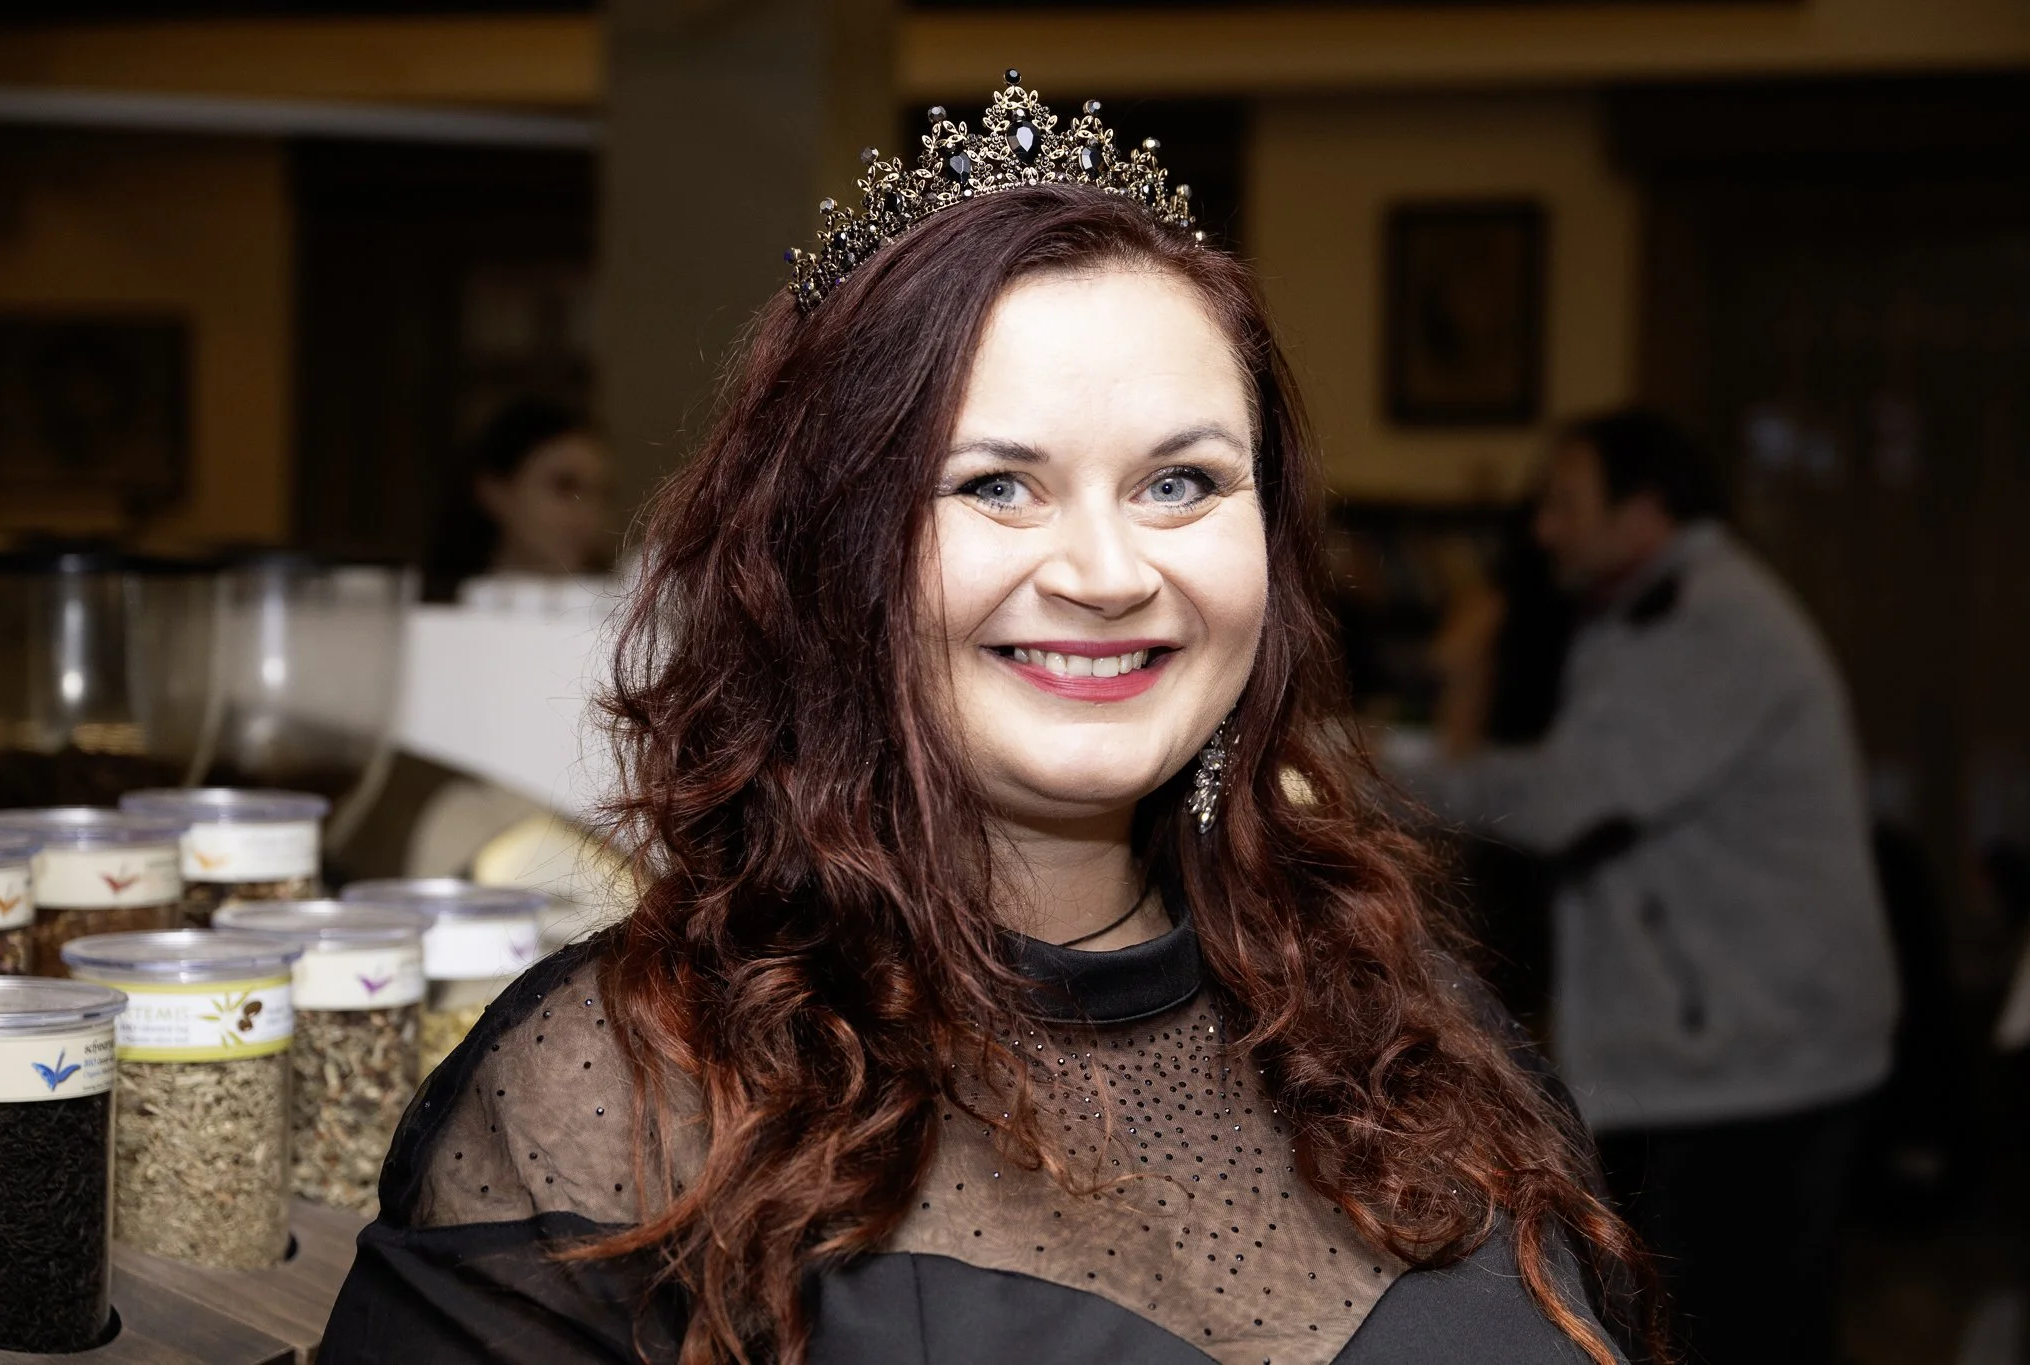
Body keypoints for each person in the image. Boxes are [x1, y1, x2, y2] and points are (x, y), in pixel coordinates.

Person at [321, 79, 1661, 1365]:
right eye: (996, 487)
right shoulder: (625, 1085)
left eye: (1179, 483)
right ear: (828, 553)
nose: (1108, 573)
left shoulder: (1411, 1022)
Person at [1388, 409, 1900, 1365]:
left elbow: (1557, 798)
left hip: (1753, 1062)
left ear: (1644, 512)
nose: (1545, 527)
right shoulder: (1633, 613)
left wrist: (1364, 766)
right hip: (1729, 1048)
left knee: (1732, 1330)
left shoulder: (1708, 621)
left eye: (1567, 502)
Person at [422, 397, 613, 602]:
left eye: (603, 495)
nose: (589, 514)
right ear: (494, 491)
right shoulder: (431, 611)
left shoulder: (615, 607)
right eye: (564, 487)